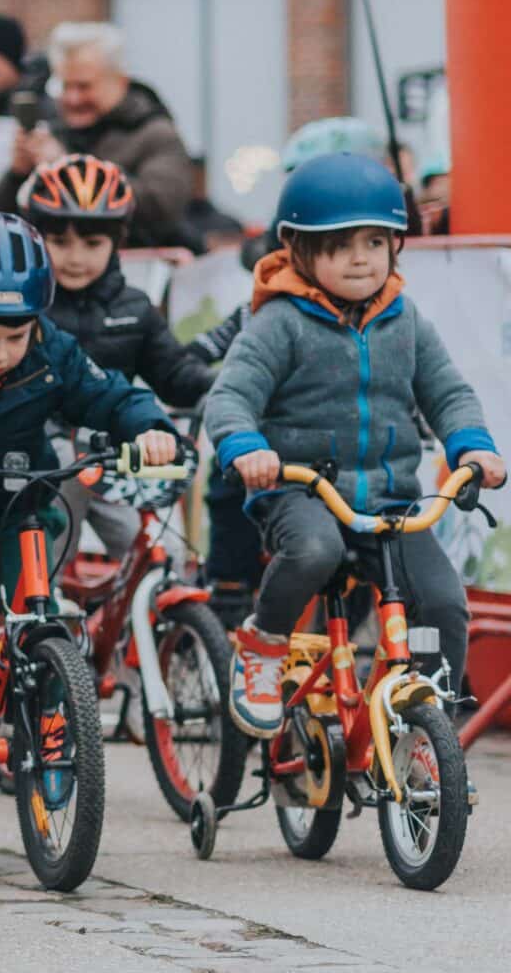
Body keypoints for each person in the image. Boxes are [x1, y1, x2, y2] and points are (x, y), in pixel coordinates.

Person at [204, 154, 505, 737]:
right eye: (340, 245)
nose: (361, 257)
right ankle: (264, 647)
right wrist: (246, 447)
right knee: (313, 550)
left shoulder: (406, 318)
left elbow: (448, 391)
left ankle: (426, 725)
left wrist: (472, 447)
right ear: (297, 249)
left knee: (442, 601)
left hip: (389, 501)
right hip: (300, 491)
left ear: (396, 243)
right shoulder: (278, 321)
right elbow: (230, 397)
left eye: (374, 240)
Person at [0, 214, 180, 749]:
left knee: (38, 603)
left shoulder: (51, 349)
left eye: (14, 336)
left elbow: (111, 394)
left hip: (22, 495)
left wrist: (153, 428)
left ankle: (48, 713)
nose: (1, 352)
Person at [18, 154, 216, 560]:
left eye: (92, 243)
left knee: (165, 560)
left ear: (117, 242)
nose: (75, 257)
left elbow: (175, 373)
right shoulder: (21, 307)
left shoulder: (135, 308)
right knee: (45, 561)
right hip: (43, 463)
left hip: (117, 459)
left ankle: (147, 617)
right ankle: (45, 613)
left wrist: (223, 391)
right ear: (36, 239)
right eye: (60, 242)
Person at [0, 22, 197, 250]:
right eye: (65, 86)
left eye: (84, 87)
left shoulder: (155, 134)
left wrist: (68, 171)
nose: (73, 99)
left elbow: (161, 210)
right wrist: (17, 175)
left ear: (120, 82)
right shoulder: (52, 132)